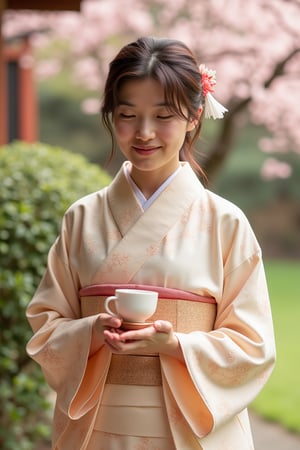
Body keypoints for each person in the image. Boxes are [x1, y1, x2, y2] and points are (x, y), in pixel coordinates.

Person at [26, 36, 276, 450]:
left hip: (191, 428)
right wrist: (91, 331)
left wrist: (175, 345)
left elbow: (253, 346)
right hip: (99, 427)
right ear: (110, 115)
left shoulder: (226, 222)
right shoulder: (82, 218)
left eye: (163, 116)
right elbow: (46, 326)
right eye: (127, 114)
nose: (144, 133)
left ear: (194, 116)